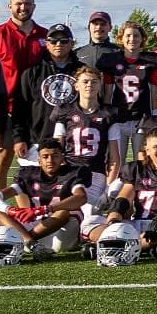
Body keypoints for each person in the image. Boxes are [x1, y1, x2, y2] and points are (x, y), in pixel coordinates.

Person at [0, 0, 46, 190]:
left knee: (41, 164)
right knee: (1, 161)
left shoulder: (45, 35)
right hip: (7, 108)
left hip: (38, 111)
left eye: (27, 3)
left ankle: (36, 214)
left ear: (34, 7)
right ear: (9, 6)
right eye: (18, 3)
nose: (23, 7)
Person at [0, 138, 89, 257]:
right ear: (38, 160)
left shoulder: (73, 173)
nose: (50, 160)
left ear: (62, 159)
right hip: (36, 222)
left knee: (63, 213)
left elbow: (81, 197)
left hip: (64, 226)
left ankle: (21, 241)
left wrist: (47, 209)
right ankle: (30, 243)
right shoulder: (28, 174)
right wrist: (10, 210)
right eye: (45, 157)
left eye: (55, 156)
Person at [48, 67, 122, 218]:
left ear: (100, 85)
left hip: (95, 173)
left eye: (94, 82)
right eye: (85, 81)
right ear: (76, 85)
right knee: (59, 212)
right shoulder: (64, 111)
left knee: (90, 214)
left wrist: (108, 187)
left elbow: (115, 157)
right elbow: (56, 149)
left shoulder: (109, 114)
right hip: (69, 171)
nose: (89, 85)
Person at [10, 23, 82, 167]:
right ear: (46, 44)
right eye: (53, 41)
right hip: (38, 141)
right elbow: (20, 109)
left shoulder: (82, 71)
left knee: (69, 187)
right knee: (32, 187)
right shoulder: (31, 73)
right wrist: (19, 138)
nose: (58, 44)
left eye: (64, 40)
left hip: (73, 143)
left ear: (71, 43)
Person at [98, 21, 157, 166]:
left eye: (136, 36)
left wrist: (155, 114)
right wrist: (106, 114)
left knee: (140, 160)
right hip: (118, 117)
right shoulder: (112, 61)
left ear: (142, 39)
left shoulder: (151, 61)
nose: (132, 39)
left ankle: (139, 188)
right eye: (128, 35)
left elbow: (154, 90)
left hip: (141, 118)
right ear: (121, 38)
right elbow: (108, 91)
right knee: (117, 162)